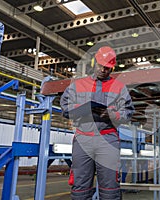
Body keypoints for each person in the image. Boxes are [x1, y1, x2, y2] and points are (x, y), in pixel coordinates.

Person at [60, 46, 134, 200]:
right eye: (100, 66)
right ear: (94, 62)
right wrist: (81, 110)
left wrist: (112, 114)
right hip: (83, 139)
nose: (103, 70)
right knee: (80, 185)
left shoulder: (119, 87)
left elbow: (128, 112)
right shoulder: (78, 85)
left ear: (112, 68)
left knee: (110, 187)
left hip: (107, 138)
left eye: (107, 68)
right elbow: (65, 108)